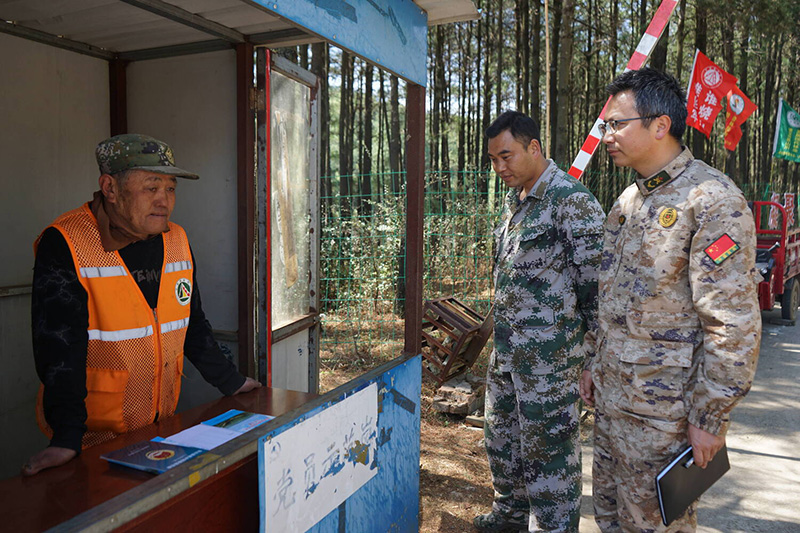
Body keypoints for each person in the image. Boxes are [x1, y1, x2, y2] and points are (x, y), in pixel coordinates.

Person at [579, 67, 761, 531]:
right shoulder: (628, 202)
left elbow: (731, 321)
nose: (607, 136)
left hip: (666, 419)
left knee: (657, 525)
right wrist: (591, 363)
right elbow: (610, 298)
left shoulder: (713, 201)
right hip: (614, 404)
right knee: (611, 519)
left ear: (660, 125)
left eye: (617, 124)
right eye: (606, 125)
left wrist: (711, 416)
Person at [23, 134, 261, 476]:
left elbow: (191, 323)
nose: (164, 201)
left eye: (171, 189)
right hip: (93, 442)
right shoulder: (66, 242)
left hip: (159, 431)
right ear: (110, 188)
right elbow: (58, 345)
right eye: (151, 188)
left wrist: (231, 381)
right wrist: (66, 437)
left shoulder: (176, 239)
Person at [475, 111, 605, 532]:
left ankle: (554, 527)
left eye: (506, 156)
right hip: (510, 355)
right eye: (493, 159)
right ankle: (510, 512)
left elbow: (596, 292)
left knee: (549, 453)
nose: (500, 168)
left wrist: (591, 360)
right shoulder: (518, 204)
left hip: (551, 363)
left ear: (534, 148)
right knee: (502, 440)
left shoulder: (572, 201)